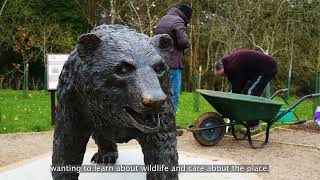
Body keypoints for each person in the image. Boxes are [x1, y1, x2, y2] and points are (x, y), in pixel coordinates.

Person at [214, 49, 278, 133]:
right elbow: (239, 82)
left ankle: (254, 125)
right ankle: (249, 119)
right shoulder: (228, 63)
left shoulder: (233, 66)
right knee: (247, 92)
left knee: (250, 93)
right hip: (256, 70)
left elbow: (237, 87)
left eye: (222, 75)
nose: (223, 77)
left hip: (268, 68)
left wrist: (233, 102)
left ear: (223, 68)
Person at [155, 4, 192, 113]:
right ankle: (171, 124)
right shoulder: (178, 21)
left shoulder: (163, 19)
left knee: (161, 94)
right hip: (173, 64)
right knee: (173, 94)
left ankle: (159, 122)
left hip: (159, 64)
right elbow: (184, 42)